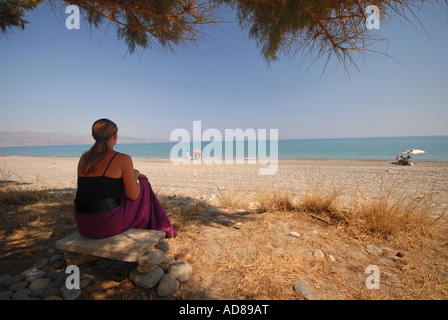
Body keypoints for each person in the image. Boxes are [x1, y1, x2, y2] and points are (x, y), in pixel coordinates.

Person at [74, 118, 177, 239]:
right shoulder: (122, 159)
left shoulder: (84, 158)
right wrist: (135, 175)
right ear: (115, 135)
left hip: (83, 224)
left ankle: (159, 225)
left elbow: (98, 186)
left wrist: (130, 174)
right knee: (143, 184)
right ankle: (159, 225)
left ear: (93, 136)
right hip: (106, 225)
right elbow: (133, 195)